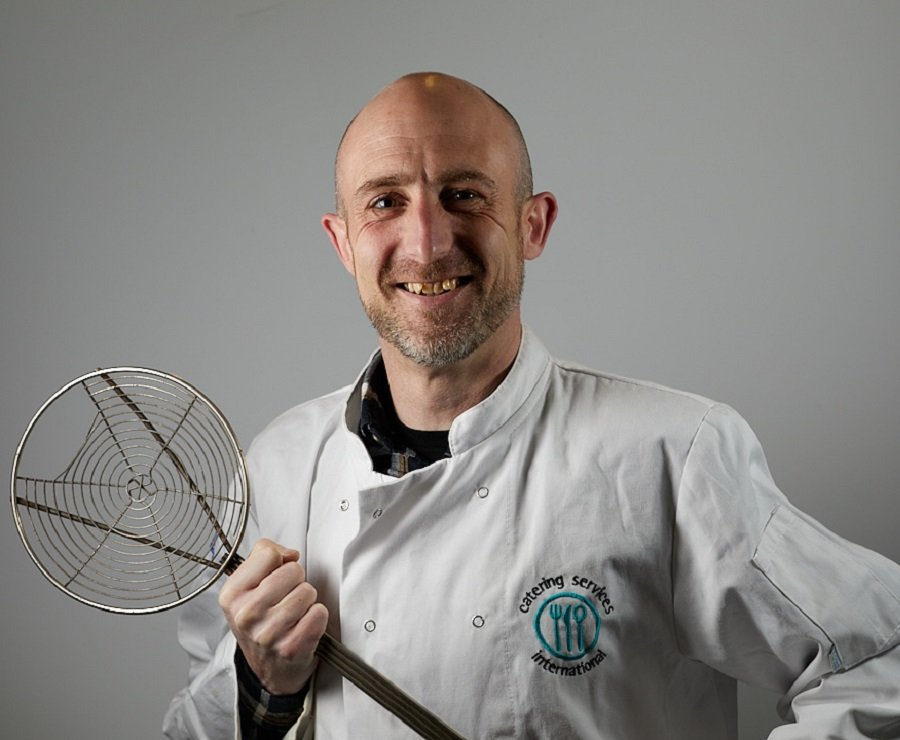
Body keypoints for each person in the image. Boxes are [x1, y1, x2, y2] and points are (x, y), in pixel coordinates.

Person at [164, 72, 900, 739]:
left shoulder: (671, 455)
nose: (427, 242)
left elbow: (882, 658)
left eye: (465, 195)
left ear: (532, 225)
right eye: (386, 202)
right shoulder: (281, 463)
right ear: (343, 243)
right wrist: (261, 687)